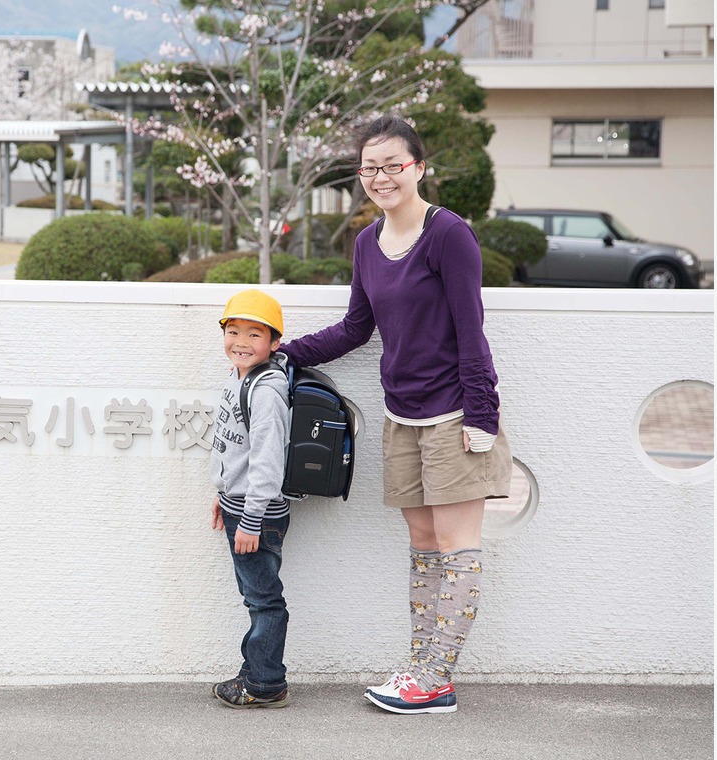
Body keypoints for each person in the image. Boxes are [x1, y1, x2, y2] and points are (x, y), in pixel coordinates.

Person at [278, 115, 512, 715]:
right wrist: (281, 354)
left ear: (418, 167)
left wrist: (481, 415)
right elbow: (358, 328)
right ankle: (420, 667)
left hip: (455, 414)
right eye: (369, 168)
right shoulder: (366, 243)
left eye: (393, 165)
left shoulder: (448, 234)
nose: (380, 177)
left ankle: (437, 680)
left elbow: (470, 327)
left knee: (459, 547)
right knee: (423, 542)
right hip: (400, 414)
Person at [210, 289, 293, 709]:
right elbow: (232, 447)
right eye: (233, 331)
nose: (240, 342)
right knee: (255, 594)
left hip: (254, 512)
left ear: (274, 342)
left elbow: (266, 462)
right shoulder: (238, 376)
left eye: (254, 334)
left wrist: (250, 519)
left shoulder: (266, 391)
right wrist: (221, 494)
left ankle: (264, 684)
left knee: (264, 599)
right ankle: (256, 673)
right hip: (237, 503)